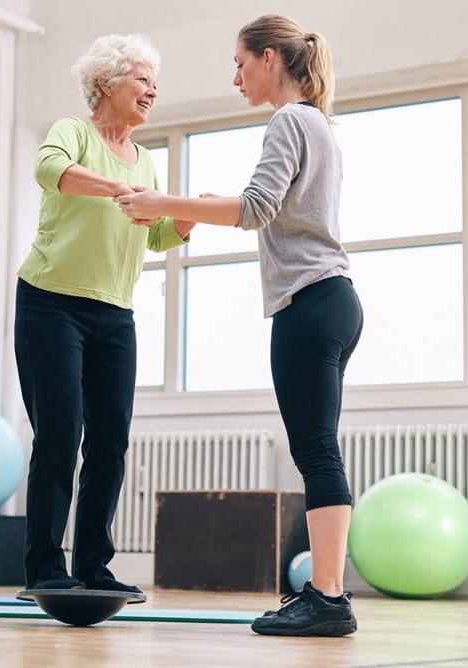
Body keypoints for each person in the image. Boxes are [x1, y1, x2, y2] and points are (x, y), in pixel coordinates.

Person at [115, 15, 362, 636]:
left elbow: (255, 209)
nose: (236, 77)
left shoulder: (290, 120)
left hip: (308, 302)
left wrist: (162, 203)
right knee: (319, 449)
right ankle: (329, 596)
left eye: (241, 63)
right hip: (334, 299)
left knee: (315, 452)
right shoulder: (321, 126)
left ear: (271, 58)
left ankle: (329, 599)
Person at [14, 33, 195, 599]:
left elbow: (156, 234)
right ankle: (45, 566)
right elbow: (51, 171)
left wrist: (185, 219)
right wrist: (119, 188)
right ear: (107, 83)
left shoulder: (148, 160)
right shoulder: (74, 131)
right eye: (142, 78)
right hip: (50, 303)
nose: (152, 89)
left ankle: (94, 565)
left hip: (115, 314)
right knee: (60, 434)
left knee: (110, 439)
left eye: (153, 80)